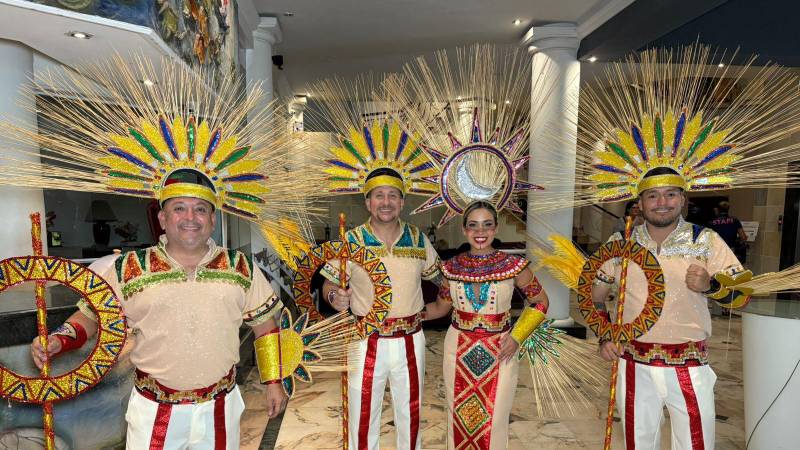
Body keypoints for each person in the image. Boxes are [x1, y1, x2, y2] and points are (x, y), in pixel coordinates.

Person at [32, 173, 288, 448]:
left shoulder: (241, 267)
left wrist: (274, 382)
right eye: (179, 208)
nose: (190, 217)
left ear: (212, 220)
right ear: (163, 219)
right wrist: (60, 338)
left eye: (200, 209)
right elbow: (90, 316)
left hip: (220, 407)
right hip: (154, 411)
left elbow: (265, 327)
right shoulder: (129, 268)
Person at [592, 167, 748, 449]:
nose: (662, 202)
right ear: (640, 203)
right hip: (633, 362)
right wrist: (605, 336)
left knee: (695, 444)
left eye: (670, 194)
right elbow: (594, 296)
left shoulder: (705, 240)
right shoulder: (621, 242)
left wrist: (711, 286)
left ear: (683, 199)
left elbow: (742, 297)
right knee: (638, 444)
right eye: (652, 195)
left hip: (689, 364)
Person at [321, 168, 442, 450]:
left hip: (411, 338)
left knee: (410, 414)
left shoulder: (418, 239)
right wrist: (334, 297)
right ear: (368, 202)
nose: (385, 202)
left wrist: (445, 304)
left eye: (392, 196)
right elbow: (328, 284)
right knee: (362, 416)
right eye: (378, 195)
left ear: (402, 202)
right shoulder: (351, 240)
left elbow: (441, 280)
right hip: (365, 339)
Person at [424, 201, 549, 450]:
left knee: (495, 418)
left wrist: (517, 336)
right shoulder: (451, 268)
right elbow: (440, 308)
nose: (480, 232)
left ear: (496, 228)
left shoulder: (513, 266)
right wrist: (404, 314)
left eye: (487, 225)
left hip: (500, 350)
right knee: (458, 417)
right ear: (464, 229)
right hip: (457, 351)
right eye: (473, 225)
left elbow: (540, 302)